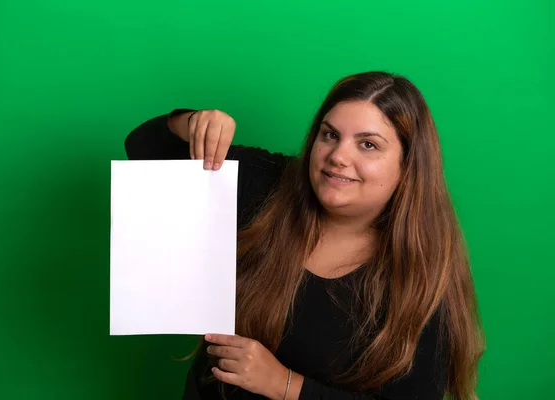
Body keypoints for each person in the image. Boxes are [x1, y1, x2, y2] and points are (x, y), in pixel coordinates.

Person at [124, 71, 485, 400]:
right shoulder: (268, 186)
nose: (338, 156)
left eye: (368, 144)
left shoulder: (425, 277)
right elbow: (143, 148)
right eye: (330, 135)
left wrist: (284, 384)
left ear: (408, 167)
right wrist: (192, 122)